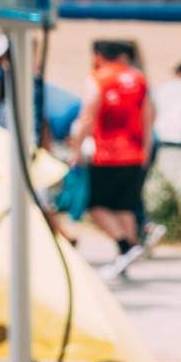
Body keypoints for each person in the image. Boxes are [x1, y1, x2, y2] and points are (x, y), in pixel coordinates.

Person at [71, 37, 157, 270]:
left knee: (95, 207)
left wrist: (76, 149)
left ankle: (125, 247)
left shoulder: (98, 78)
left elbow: (87, 115)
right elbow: (149, 116)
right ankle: (128, 253)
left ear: (99, 56)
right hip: (134, 152)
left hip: (107, 153)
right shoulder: (138, 79)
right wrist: (146, 149)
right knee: (124, 207)